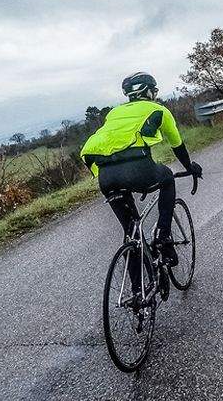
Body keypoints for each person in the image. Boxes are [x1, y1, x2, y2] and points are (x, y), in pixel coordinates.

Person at [80, 72, 202, 268]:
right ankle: (164, 236)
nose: (155, 94)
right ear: (148, 92)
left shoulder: (113, 113)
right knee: (168, 177)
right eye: (154, 90)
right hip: (137, 170)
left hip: (105, 176)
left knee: (131, 234)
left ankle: (137, 294)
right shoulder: (159, 110)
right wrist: (190, 167)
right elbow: (177, 145)